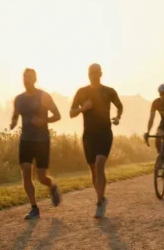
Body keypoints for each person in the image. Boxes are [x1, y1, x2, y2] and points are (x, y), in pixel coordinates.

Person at [70, 63, 122, 218]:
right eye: (91, 73)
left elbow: (120, 106)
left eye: (96, 72)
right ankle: (102, 198)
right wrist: (82, 109)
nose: (93, 75)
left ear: (101, 74)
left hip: (105, 133)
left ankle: (99, 203)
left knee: (99, 164)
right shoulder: (82, 92)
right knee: (93, 170)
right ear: (88, 74)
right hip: (89, 135)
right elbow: (71, 113)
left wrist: (118, 117)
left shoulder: (109, 91)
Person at [10, 68, 62, 220]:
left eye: (29, 77)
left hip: (42, 140)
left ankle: (52, 186)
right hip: (26, 140)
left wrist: (43, 121)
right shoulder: (18, 99)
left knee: (41, 177)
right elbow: (15, 115)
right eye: (24, 77)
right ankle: (34, 208)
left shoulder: (43, 96)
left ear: (35, 79)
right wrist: (13, 122)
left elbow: (58, 115)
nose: (26, 80)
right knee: (26, 173)